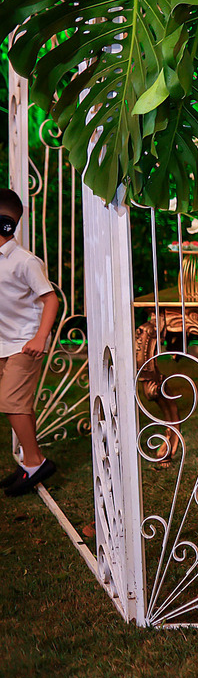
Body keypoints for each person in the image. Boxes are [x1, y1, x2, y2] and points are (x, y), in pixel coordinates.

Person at [0, 188, 60, 497]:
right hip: (4, 343)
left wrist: (39, 337)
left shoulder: (24, 261)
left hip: (25, 342)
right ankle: (29, 460)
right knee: (18, 404)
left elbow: (50, 299)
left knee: (10, 401)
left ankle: (36, 463)